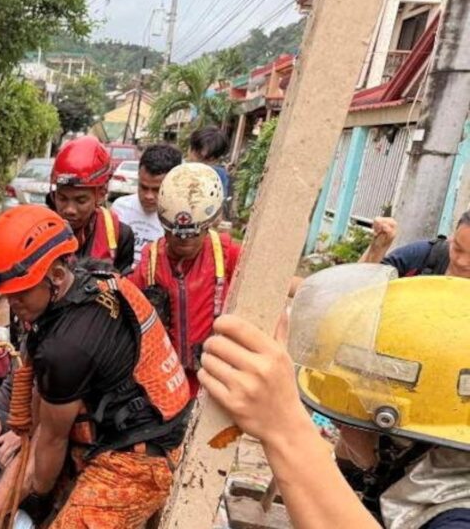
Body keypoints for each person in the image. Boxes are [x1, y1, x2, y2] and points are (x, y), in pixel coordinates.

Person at [0, 205, 192, 529]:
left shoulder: (67, 347)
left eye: (20, 294)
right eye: (8, 295)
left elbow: (46, 453)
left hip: (138, 456)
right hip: (107, 418)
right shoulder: (83, 284)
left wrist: (25, 494)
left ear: (56, 276)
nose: (13, 306)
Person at [200, 265, 470, 529]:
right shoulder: (426, 470)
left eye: (345, 419)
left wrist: (285, 429)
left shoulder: (458, 517)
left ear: (395, 434)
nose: (338, 431)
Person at [128, 163, 241, 397]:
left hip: (212, 380)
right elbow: (127, 299)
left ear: (211, 223)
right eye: (175, 235)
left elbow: (273, 281)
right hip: (164, 380)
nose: (184, 243)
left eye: (193, 235)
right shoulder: (151, 260)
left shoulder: (226, 253)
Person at [48, 136, 136, 274]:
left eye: (81, 201)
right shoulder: (40, 231)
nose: (70, 210)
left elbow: (123, 289)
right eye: (62, 198)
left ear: (101, 194)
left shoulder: (121, 236)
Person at [110, 143, 183, 268]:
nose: (148, 196)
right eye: (143, 187)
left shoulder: (181, 218)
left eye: (157, 190)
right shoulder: (119, 208)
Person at [188, 126, 232, 218]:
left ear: (216, 159)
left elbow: (219, 209)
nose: (201, 164)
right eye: (198, 156)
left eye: (207, 160)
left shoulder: (219, 175)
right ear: (190, 149)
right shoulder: (176, 170)